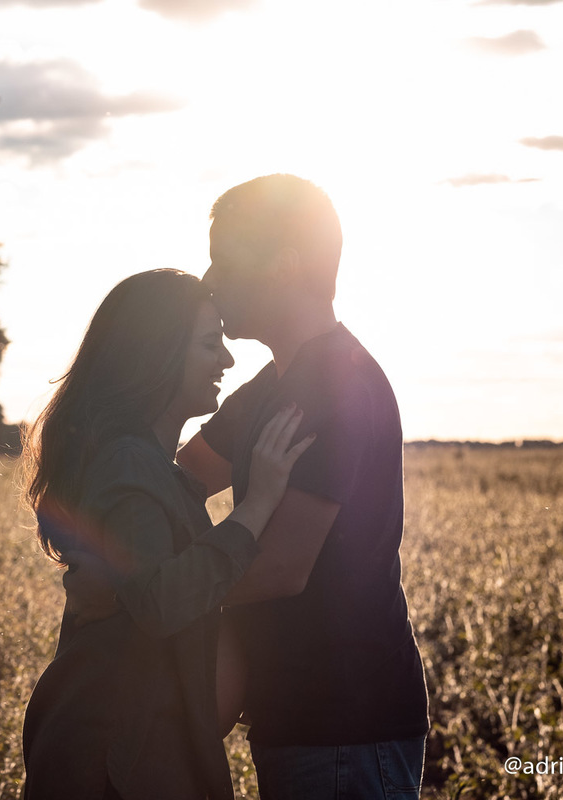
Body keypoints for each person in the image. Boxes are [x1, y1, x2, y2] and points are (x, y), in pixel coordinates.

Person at [176, 174, 431, 799]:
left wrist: (151, 592)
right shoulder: (277, 383)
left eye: (224, 260)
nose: (211, 279)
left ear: (284, 265)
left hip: (345, 728)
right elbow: (183, 476)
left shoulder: (334, 383)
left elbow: (280, 568)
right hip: (302, 718)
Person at [18, 268, 315, 800]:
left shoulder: (147, 464)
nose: (227, 360)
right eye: (209, 344)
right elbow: (161, 600)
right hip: (114, 760)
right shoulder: (128, 463)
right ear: (158, 353)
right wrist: (258, 504)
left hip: (136, 751)